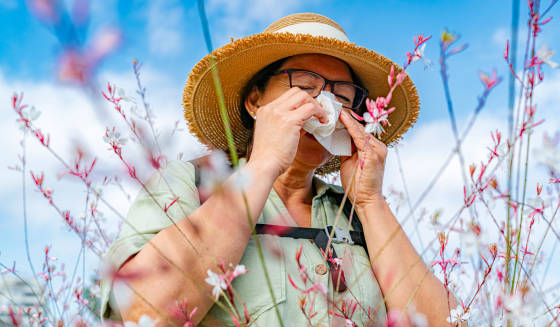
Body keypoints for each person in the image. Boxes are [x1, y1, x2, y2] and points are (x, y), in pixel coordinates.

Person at [99, 13, 460, 327]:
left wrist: (369, 201)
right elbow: (141, 312)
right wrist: (265, 164)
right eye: (304, 87)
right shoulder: (191, 184)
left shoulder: (357, 214)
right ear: (255, 101)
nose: (324, 107)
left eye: (342, 96)